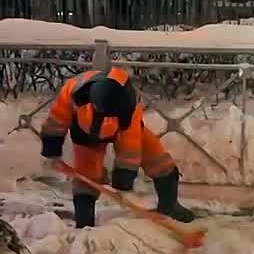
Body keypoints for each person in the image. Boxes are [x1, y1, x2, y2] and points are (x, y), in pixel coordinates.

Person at [40, 66, 195, 228]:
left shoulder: (128, 103)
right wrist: (52, 149)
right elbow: (57, 121)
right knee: (86, 176)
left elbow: (130, 147)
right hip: (85, 134)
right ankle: (84, 222)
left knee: (158, 159)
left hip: (122, 128)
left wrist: (123, 181)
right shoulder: (72, 92)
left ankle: (169, 205)